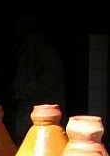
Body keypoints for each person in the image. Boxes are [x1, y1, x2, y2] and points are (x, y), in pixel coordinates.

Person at [8, 11, 66, 142]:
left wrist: (18, 90)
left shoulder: (41, 53)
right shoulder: (28, 50)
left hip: (43, 122)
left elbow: (47, 85)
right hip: (32, 120)